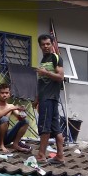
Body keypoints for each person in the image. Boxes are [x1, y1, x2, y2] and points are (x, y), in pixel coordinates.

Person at [35, 34, 65, 165]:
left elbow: (60, 77)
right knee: (56, 129)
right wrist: (37, 99)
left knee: (45, 127)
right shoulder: (44, 60)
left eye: (48, 44)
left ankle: (41, 155)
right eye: (43, 44)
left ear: (52, 44)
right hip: (46, 97)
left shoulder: (55, 57)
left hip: (49, 98)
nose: (46, 46)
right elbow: (42, 83)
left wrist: (45, 73)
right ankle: (60, 156)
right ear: (40, 46)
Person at [0, 82, 29, 152]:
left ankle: (15, 144)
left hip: (6, 136)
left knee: (25, 122)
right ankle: (1, 144)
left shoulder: (11, 106)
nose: (5, 95)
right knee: (4, 119)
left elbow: (20, 118)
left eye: (7, 93)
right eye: (2, 93)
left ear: (9, 94)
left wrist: (22, 112)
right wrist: (10, 109)